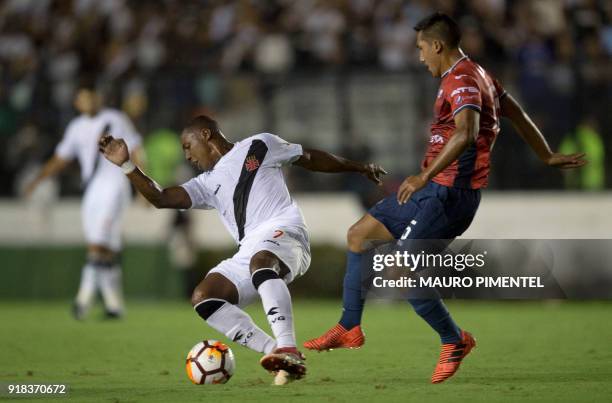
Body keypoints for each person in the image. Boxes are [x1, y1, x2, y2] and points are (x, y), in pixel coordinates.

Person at [304, 12, 587, 384]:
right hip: (436, 191)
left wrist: (424, 175)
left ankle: (455, 340)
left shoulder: (464, 80)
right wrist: (545, 154)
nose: (420, 57)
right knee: (360, 235)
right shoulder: (480, 73)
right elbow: (514, 112)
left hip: (450, 194)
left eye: (421, 48)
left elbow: (466, 132)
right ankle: (349, 327)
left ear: (437, 46)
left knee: (402, 272)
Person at [98, 115, 386, 383]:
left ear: (205, 134)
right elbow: (160, 198)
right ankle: (277, 353)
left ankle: (289, 347)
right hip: (249, 249)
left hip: (285, 232)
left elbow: (309, 158)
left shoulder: (258, 145)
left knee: (261, 262)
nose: (187, 156)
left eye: (188, 146)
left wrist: (358, 167)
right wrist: (127, 166)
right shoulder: (206, 184)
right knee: (204, 297)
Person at [25, 86, 143, 320]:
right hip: (91, 190)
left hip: (114, 186)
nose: (87, 101)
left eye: (91, 96)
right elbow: (61, 158)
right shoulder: (76, 127)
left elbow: (136, 148)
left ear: (98, 98)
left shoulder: (115, 119)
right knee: (104, 249)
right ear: (77, 103)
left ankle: (82, 301)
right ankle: (114, 306)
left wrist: (142, 187)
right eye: (82, 98)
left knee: (97, 246)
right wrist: (37, 180)